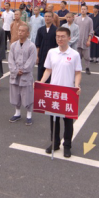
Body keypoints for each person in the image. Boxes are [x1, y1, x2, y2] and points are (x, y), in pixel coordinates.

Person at [38, 26, 82, 158]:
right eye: (58, 36)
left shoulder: (74, 54)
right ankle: (55, 143)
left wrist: (77, 85)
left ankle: (67, 145)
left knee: (68, 121)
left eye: (63, 36)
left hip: (68, 92)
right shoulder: (52, 52)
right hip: (54, 92)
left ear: (69, 38)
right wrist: (41, 82)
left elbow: (78, 72)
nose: (60, 39)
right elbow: (48, 70)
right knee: (54, 120)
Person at [8, 23, 37, 124]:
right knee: (15, 94)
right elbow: (10, 60)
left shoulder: (31, 46)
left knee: (27, 94)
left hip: (26, 75)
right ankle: (17, 113)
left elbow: (31, 61)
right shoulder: (13, 45)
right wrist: (15, 70)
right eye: (19, 30)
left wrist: (23, 70)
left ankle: (29, 114)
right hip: (15, 75)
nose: (20, 32)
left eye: (23, 31)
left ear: (27, 33)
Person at [73, 5, 94, 75]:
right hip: (77, 40)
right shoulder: (76, 19)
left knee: (86, 56)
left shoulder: (89, 20)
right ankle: (77, 68)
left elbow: (91, 31)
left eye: (84, 9)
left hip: (85, 40)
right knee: (77, 55)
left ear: (87, 10)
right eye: (82, 9)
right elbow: (74, 29)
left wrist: (89, 40)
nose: (83, 10)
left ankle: (87, 67)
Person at [35, 12, 57, 76]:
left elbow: (57, 45)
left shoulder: (56, 30)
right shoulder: (40, 30)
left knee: (51, 75)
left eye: (49, 16)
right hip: (42, 55)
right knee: (40, 75)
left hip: (52, 56)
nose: (47, 18)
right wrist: (37, 56)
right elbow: (38, 44)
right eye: (46, 16)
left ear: (52, 18)